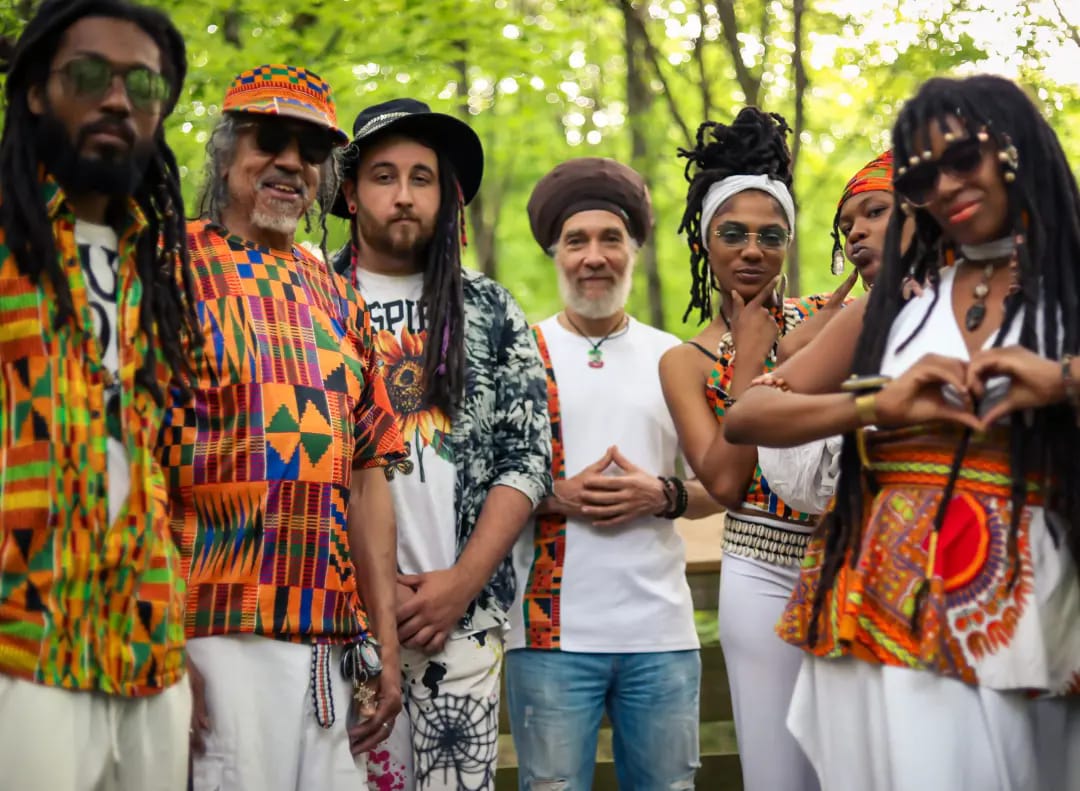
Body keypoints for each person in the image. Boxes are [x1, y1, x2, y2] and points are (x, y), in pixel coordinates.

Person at [725, 74, 1080, 790]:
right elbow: (748, 416)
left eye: (962, 159)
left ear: (1015, 148)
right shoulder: (890, 305)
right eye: (922, 175)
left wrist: (1061, 381)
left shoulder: (1069, 284)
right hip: (885, 598)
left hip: (1033, 590)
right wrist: (877, 404)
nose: (944, 186)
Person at [159, 65, 406, 791]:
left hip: (331, 641)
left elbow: (368, 477)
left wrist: (386, 641)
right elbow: (132, 461)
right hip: (211, 632)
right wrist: (158, 641)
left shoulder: (339, 297)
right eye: (270, 141)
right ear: (225, 155)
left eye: (312, 150)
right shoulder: (166, 267)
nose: (292, 163)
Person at [0, 2, 198, 788]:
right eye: (89, 75)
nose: (118, 99)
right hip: (23, 644)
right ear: (37, 91)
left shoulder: (162, 267)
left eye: (143, 85)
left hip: (148, 651)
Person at [332, 98, 552, 791]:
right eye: (384, 176)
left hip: (462, 621)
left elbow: (528, 458)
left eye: (421, 177)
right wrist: (367, 595)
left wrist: (460, 584)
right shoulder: (313, 301)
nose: (403, 194)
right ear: (350, 193)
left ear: (445, 194)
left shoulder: (490, 309)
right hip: (339, 621)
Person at [503, 156, 718, 790]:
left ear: (634, 251)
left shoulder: (675, 357)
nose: (594, 257)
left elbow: (723, 485)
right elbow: (476, 483)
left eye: (610, 239)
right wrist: (553, 494)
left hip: (661, 634)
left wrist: (663, 493)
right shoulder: (520, 353)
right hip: (548, 636)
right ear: (555, 254)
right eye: (577, 241)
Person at [658, 107, 828, 791]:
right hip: (760, 570)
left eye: (770, 235)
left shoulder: (825, 321)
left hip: (843, 560)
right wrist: (752, 364)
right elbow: (725, 484)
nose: (752, 250)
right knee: (776, 769)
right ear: (705, 242)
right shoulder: (686, 361)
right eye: (733, 233)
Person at [759, 150, 909, 512]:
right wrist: (790, 358)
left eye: (876, 211)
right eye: (845, 229)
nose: (856, 232)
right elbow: (800, 485)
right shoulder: (849, 320)